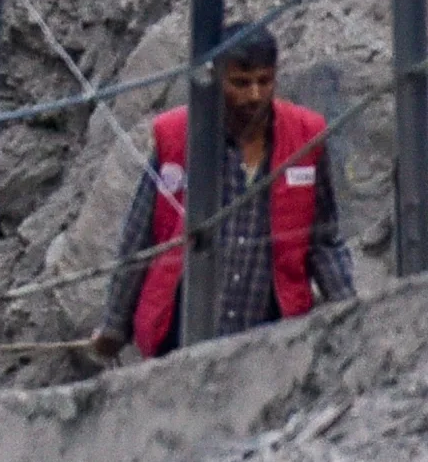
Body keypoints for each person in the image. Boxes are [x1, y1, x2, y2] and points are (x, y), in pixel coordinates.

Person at [135, 24, 343, 352]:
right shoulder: (176, 136)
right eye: (241, 83)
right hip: (178, 338)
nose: (254, 95)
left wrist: (349, 309)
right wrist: (114, 326)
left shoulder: (305, 137)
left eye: (264, 81)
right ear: (217, 79)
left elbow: (324, 238)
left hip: (271, 342)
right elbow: (139, 236)